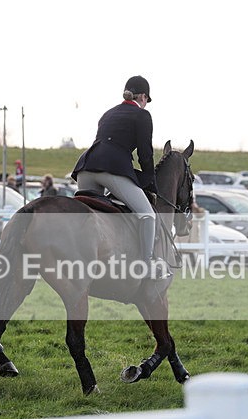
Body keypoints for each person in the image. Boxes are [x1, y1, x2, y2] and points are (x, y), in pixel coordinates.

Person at [71, 75, 166, 279]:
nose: (146, 104)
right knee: (147, 215)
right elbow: (145, 154)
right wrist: (150, 181)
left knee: (90, 216)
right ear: (143, 97)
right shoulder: (142, 115)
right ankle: (147, 264)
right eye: (146, 100)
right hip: (111, 168)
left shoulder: (108, 113)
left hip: (86, 168)